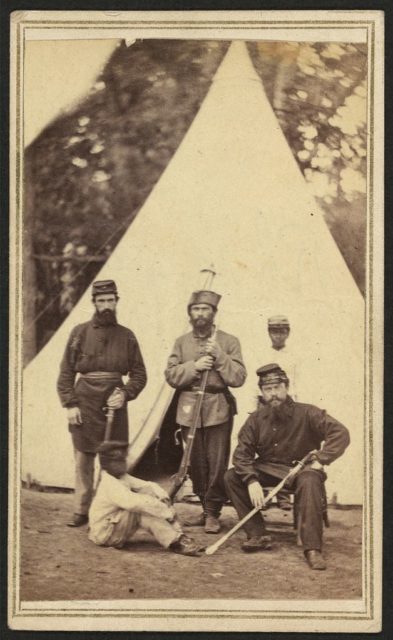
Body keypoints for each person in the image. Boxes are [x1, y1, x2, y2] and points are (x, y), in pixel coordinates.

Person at [224, 363, 350, 570]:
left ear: (286, 387)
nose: (273, 394)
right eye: (268, 389)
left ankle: (312, 549)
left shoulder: (308, 412)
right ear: (262, 393)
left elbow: (340, 433)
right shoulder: (256, 419)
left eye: (277, 388)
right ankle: (257, 535)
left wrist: (321, 459)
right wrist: (251, 479)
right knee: (231, 477)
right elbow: (241, 454)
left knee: (310, 480)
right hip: (266, 469)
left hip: (302, 470)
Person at [57, 279, 147, 527]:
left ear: (116, 302)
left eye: (110, 300)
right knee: (83, 460)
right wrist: (70, 404)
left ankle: (110, 510)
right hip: (84, 403)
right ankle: (81, 509)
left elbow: (139, 375)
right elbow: (66, 372)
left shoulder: (127, 336)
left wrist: (125, 394)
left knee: (113, 462)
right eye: (101, 301)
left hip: (114, 407)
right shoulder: (79, 333)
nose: (106, 305)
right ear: (94, 303)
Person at [165, 290, 247, 534]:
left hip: (217, 407)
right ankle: (204, 506)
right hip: (190, 406)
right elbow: (170, 375)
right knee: (195, 462)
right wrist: (194, 366)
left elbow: (239, 377)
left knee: (216, 462)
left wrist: (220, 357)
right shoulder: (181, 342)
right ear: (190, 313)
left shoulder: (229, 341)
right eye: (196, 309)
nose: (200, 314)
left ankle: (213, 512)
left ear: (214, 313)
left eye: (205, 309)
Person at [88, 441, 203, 556]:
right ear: (107, 464)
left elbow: (148, 485)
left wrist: (164, 498)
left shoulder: (121, 477)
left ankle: (178, 537)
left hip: (110, 526)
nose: (125, 463)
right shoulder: (110, 483)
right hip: (104, 534)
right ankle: (176, 542)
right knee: (142, 509)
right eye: (119, 461)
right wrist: (165, 511)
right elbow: (134, 504)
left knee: (148, 497)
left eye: (123, 459)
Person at [262, 315, 298, 510]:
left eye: (282, 331)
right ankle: (266, 495)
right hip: (266, 406)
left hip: (287, 406)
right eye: (274, 331)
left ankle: (283, 494)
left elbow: (297, 383)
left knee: (285, 448)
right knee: (265, 447)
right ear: (269, 333)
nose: (278, 335)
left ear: (288, 333)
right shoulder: (262, 353)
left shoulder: (294, 356)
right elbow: (255, 384)